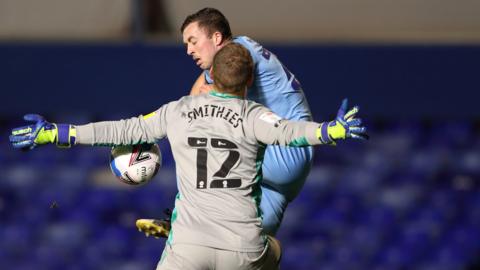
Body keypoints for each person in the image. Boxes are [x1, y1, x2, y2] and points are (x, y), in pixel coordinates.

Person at [10, 43, 367, 270]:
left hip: (189, 245)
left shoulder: (177, 111)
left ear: (210, 76)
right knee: (273, 248)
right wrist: (331, 131)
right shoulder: (255, 115)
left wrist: (57, 133)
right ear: (246, 85)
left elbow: (120, 130)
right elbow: (292, 133)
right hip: (242, 248)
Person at [137, 7, 317, 239]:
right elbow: (194, 101)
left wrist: (153, 129)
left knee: (206, 146)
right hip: (285, 171)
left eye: (193, 41)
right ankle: (195, 230)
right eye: (186, 45)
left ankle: (186, 220)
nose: (189, 50)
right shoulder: (241, 49)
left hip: (284, 150)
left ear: (217, 38)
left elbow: (201, 104)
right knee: (246, 242)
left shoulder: (236, 54)